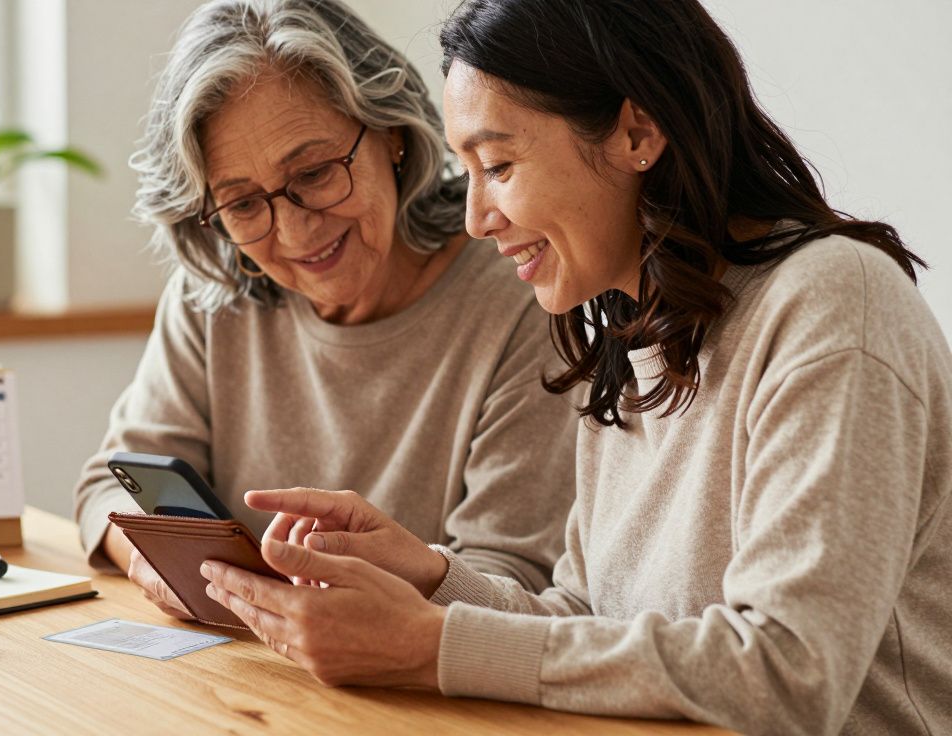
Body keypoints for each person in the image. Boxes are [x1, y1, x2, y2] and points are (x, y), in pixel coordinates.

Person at [198, 0, 952, 733]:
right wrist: (429, 576)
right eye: (468, 170)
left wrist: (430, 646)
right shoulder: (631, 334)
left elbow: (790, 673)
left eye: (498, 165)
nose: (476, 218)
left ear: (636, 132)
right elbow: (588, 623)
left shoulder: (832, 304)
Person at [74, 0, 579, 620]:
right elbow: (109, 489)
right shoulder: (214, 293)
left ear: (393, 135)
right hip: (242, 659)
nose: (293, 232)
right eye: (242, 204)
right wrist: (157, 560)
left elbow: (510, 581)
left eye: (314, 173)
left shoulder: (524, 298)